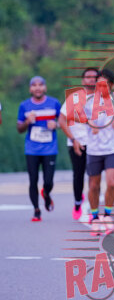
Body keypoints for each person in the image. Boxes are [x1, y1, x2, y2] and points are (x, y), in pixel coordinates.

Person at [85, 69, 114, 231]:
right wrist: (91, 124)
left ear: (111, 85)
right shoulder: (89, 101)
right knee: (94, 185)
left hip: (113, 147)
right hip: (94, 148)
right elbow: (82, 117)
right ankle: (95, 216)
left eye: (104, 84)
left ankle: (107, 215)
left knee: (111, 182)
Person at [17, 76, 61, 222]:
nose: (37, 87)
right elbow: (19, 129)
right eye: (34, 85)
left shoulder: (54, 103)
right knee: (33, 180)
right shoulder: (24, 106)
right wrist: (27, 122)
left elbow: (64, 122)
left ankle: (46, 193)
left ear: (45, 88)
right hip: (32, 149)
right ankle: (36, 210)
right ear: (30, 89)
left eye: (40, 85)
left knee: (48, 181)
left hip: (50, 148)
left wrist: (56, 125)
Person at [58, 67, 98, 220]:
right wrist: (73, 139)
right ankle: (77, 202)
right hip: (77, 142)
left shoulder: (103, 100)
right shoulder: (74, 98)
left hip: (96, 145)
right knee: (79, 175)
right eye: (88, 76)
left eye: (95, 77)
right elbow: (62, 120)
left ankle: (94, 210)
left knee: (94, 178)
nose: (92, 79)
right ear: (83, 80)